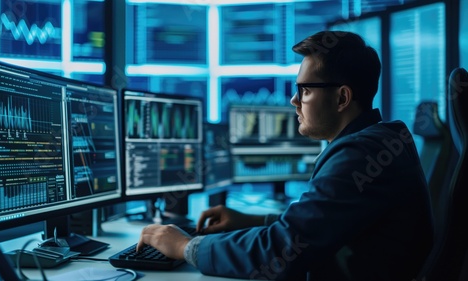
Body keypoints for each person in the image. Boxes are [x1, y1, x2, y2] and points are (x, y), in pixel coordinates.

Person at [136, 30, 434, 281]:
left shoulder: (360, 154)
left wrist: (186, 246)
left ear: (342, 97)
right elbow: (318, 226)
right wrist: (253, 219)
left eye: (305, 90)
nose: (294, 100)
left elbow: (283, 251)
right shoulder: (377, 141)